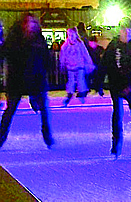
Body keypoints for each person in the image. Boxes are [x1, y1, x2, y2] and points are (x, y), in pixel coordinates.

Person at [0, 13, 54, 149]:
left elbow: (46, 57)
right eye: (28, 23)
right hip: (17, 80)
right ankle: (1, 136)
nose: (30, 26)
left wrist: (47, 68)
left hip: (36, 79)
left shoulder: (38, 39)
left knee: (44, 109)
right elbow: (4, 53)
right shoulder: (14, 38)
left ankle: (47, 134)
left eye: (33, 23)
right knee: (10, 110)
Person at [99, 18, 131, 156]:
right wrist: (99, 83)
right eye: (124, 30)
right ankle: (116, 144)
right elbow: (105, 64)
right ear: (120, 31)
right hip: (116, 85)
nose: (126, 32)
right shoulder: (113, 45)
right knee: (117, 114)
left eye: (129, 30)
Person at [59, 27, 94, 106]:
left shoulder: (80, 44)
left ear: (76, 35)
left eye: (72, 35)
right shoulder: (65, 46)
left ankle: (82, 93)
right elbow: (62, 56)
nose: (71, 36)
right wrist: (62, 64)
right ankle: (70, 93)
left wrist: (89, 63)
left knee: (80, 80)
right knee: (71, 81)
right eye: (69, 35)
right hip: (70, 67)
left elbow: (85, 54)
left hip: (79, 66)